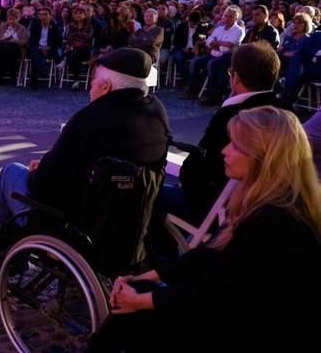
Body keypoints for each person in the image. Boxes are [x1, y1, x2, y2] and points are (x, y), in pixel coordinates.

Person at [91, 106, 321, 353]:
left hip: (261, 332)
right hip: (243, 314)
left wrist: (143, 301)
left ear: (262, 156)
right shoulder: (264, 201)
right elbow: (210, 254)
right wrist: (148, 276)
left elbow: (218, 288)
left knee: (137, 320)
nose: (225, 150)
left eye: (235, 145)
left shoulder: (277, 221)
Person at [0, 48, 170, 251]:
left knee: (10, 172)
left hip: (76, 228)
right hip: (130, 225)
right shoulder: (157, 113)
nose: (90, 88)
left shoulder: (91, 118)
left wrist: (40, 172)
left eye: (93, 81)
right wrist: (48, 164)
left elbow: (46, 185)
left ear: (106, 86)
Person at [171, 42, 289, 223]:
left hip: (223, 210)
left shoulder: (232, 116)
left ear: (235, 78)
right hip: (269, 209)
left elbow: (198, 170)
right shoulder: (287, 114)